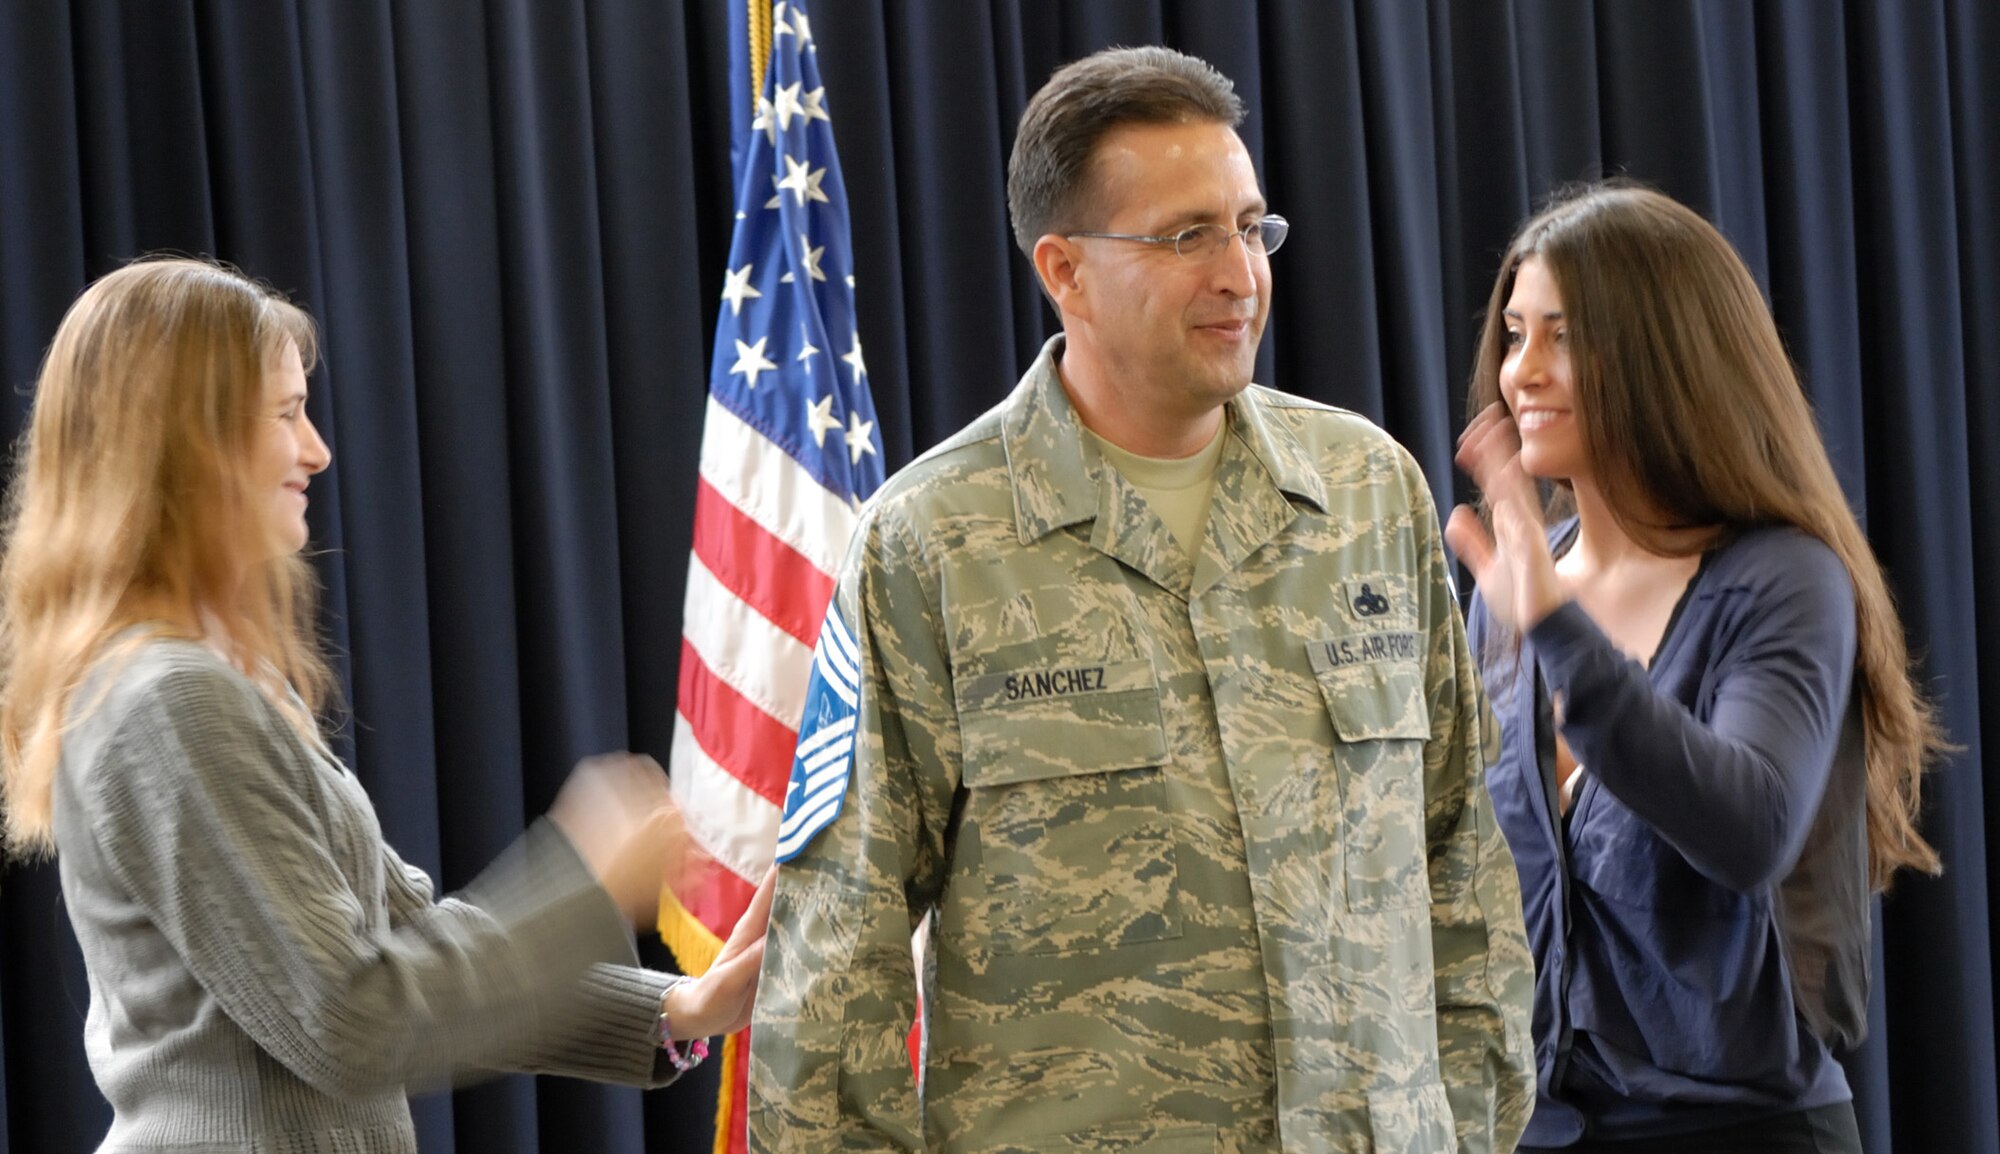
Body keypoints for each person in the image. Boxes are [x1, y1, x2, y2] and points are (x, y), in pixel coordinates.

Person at [750, 46, 1534, 1153]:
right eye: (1185, 236)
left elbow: (1462, 860)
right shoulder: (931, 543)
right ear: (1063, 269)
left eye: (1249, 227)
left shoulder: (1365, 492)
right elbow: (835, 964)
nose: (1239, 273)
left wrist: (1459, 1123)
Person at [0, 257, 774, 1154]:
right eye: (285, 414)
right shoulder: (168, 702)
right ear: (187, 440)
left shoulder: (214, 682)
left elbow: (413, 951)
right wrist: (587, 878)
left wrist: (681, 1007)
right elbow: (353, 1018)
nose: (317, 449)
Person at [1445, 183, 1944, 1154]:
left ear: (1665, 358)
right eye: (1513, 333)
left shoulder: (1782, 577)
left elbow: (1747, 825)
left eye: (1564, 336)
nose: (1522, 372)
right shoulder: (1505, 585)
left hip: (1745, 1128)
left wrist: (1551, 624)